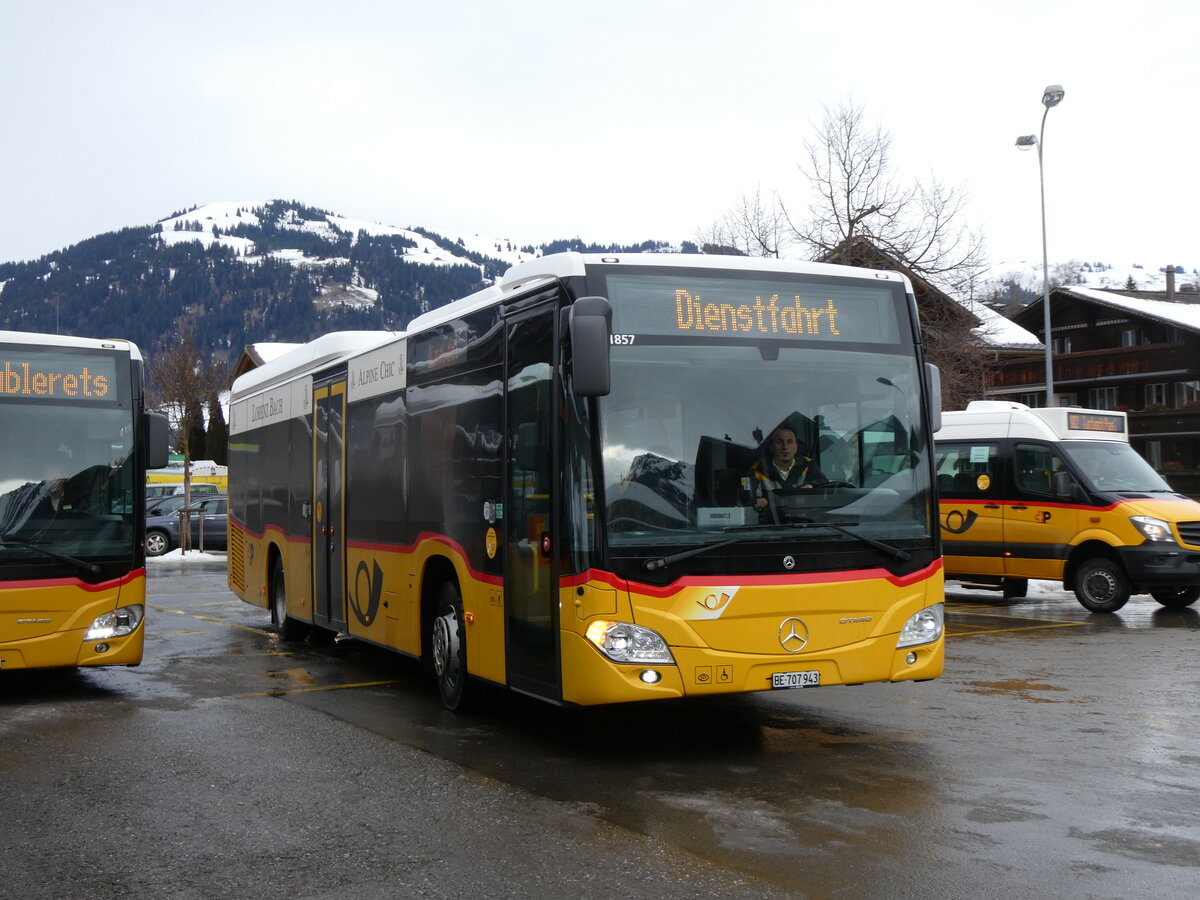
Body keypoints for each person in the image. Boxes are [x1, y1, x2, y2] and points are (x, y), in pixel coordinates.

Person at [751, 425, 826, 512]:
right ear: (771, 447)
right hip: (770, 521)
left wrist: (811, 485)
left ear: (796, 447)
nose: (785, 447)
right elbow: (747, 497)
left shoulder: (809, 464)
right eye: (779, 442)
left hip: (805, 520)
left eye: (790, 442)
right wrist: (757, 500)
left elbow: (823, 483)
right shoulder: (757, 469)